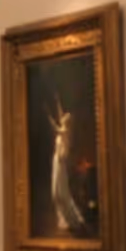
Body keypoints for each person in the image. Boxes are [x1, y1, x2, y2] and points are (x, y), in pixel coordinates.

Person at [48, 97, 88, 234]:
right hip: (56, 163)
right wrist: (58, 100)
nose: (61, 117)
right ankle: (64, 217)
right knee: (56, 193)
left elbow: (55, 126)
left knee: (60, 193)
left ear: (66, 122)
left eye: (64, 118)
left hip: (60, 164)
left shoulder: (64, 132)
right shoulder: (64, 129)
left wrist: (48, 115)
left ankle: (73, 219)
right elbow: (59, 115)